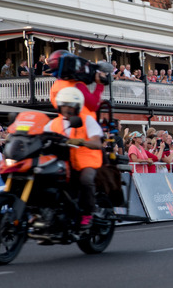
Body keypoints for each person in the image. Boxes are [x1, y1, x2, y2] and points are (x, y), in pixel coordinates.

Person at [44, 87, 103, 229]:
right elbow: (40, 135)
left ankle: (88, 213)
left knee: (86, 180)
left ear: (77, 106)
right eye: (64, 105)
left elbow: (97, 142)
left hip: (87, 161)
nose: (66, 109)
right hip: (64, 162)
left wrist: (82, 142)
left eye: (70, 105)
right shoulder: (54, 123)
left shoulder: (87, 119)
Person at [47, 50, 106, 120]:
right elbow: (93, 105)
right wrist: (100, 84)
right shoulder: (77, 85)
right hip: (83, 124)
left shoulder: (55, 86)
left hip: (65, 123)